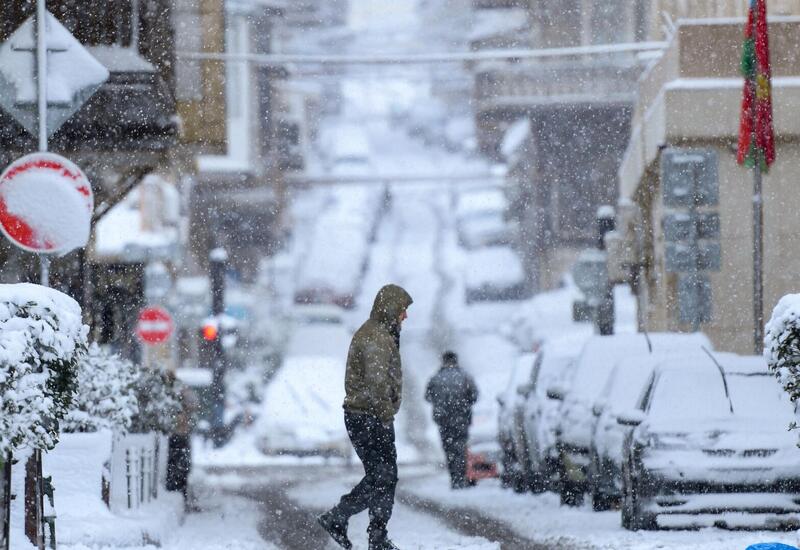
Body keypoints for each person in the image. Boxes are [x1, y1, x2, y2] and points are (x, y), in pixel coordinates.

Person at [318, 284, 413, 550]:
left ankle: (367, 531)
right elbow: (376, 383)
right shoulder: (376, 337)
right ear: (391, 309)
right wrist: (385, 415)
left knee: (381, 476)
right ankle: (351, 523)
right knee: (383, 476)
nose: (405, 316)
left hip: (367, 416)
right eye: (403, 310)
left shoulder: (380, 333)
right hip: (368, 417)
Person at [425, 351, 478, 489]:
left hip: (443, 420)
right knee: (461, 448)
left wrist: (441, 403)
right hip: (462, 418)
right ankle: (462, 477)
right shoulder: (464, 376)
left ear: (443, 361)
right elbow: (474, 396)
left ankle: (455, 478)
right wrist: (462, 404)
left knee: (449, 449)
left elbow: (428, 397)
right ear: (456, 360)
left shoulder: (436, 378)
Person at [166, 373, 199, 512]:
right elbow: (194, 405)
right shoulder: (179, 393)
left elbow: (193, 405)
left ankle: (181, 494)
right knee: (180, 467)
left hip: (177, 435)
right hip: (178, 435)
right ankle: (181, 494)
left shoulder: (176, 393)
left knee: (178, 467)